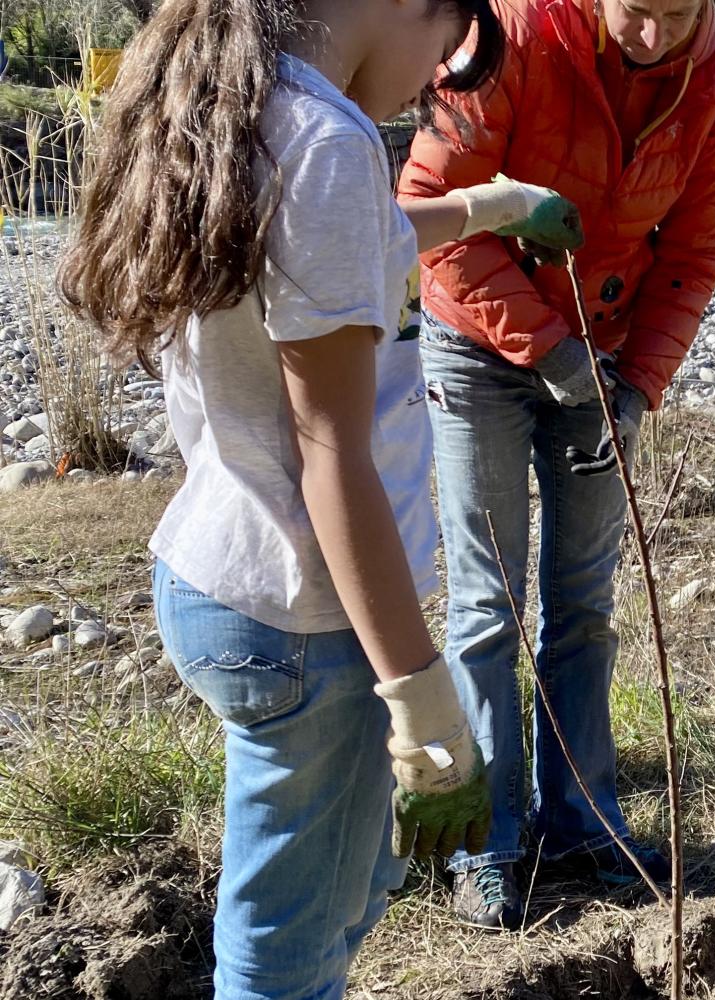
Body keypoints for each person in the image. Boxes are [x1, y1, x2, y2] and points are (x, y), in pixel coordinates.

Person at [57, 1, 581, 997]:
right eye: (447, 49)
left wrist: (490, 206)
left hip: (219, 571)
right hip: (308, 616)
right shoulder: (332, 142)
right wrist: (424, 702)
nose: (434, 83)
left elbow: (346, 244)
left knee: (333, 893)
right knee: (284, 963)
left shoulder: (238, 101)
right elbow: (328, 455)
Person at [396, 0, 715, 931]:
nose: (652, 36)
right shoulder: (507, 39)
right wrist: (554, 354)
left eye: (676, 16)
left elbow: (694, 252)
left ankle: (586, 822)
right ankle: (488, 842)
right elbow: (434, 218)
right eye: (636, 14)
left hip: (610, 353)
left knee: (584, 601)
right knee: (490, 599)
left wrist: (634, 388)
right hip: (479, 345)